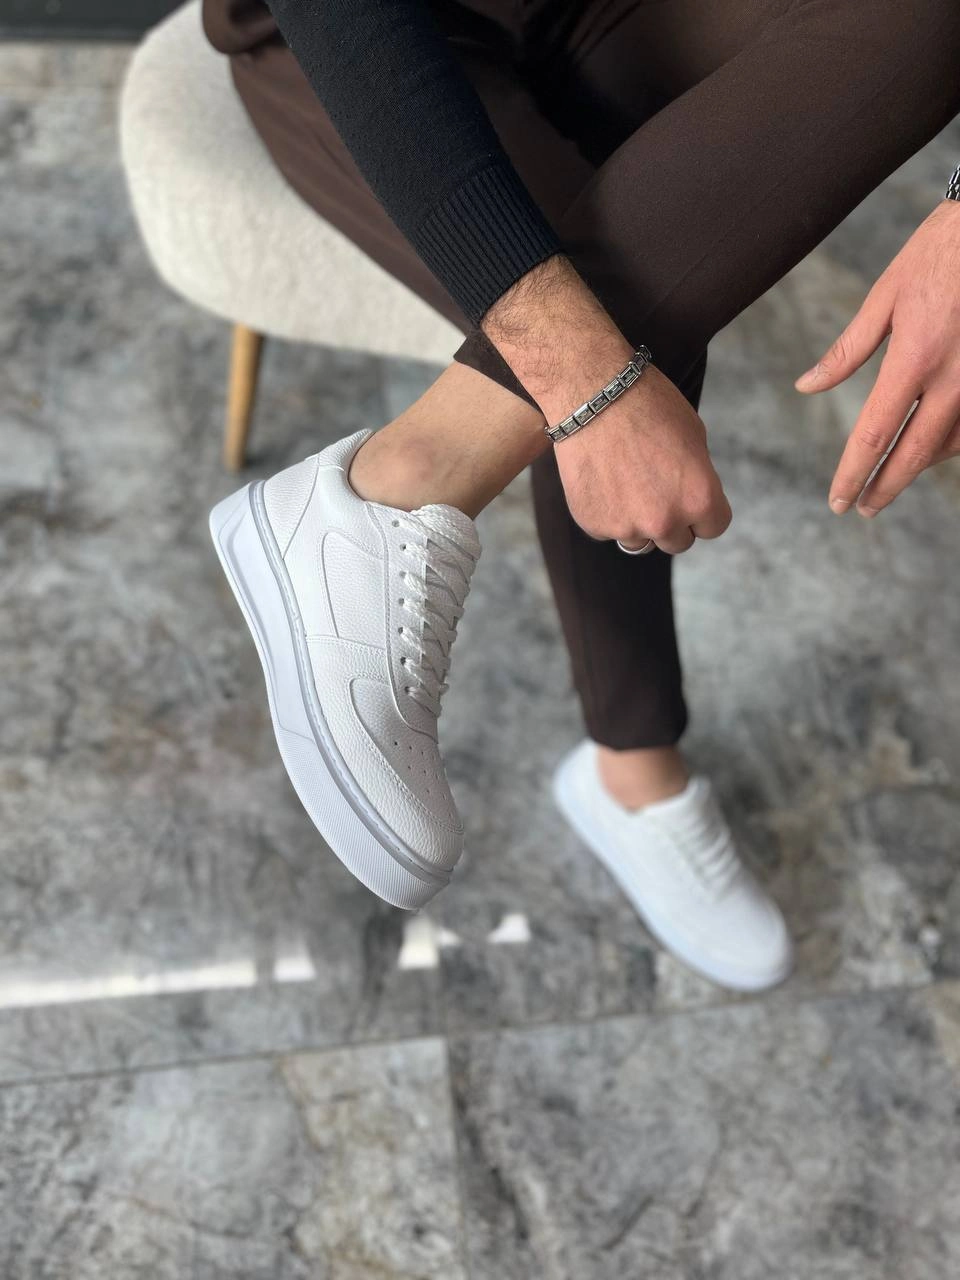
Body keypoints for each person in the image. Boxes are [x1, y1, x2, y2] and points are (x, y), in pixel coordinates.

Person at [204, 0, 960, 992]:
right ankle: (633, 766)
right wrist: (588, 385)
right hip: (367, 35)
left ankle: (394, 485)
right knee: (634, 337)